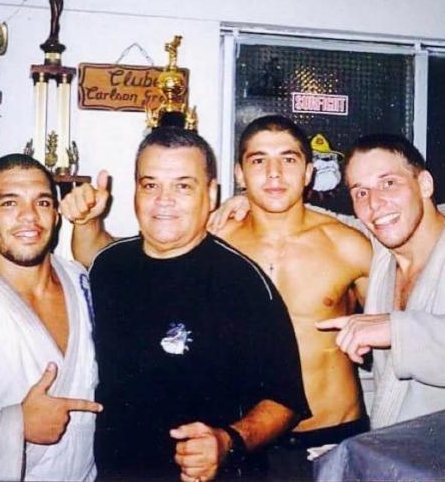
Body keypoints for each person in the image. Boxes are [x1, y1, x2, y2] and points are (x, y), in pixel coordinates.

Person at [61, 127, 310, 480]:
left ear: (211, 194)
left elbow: (285, 402)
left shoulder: (242, 284)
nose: (164, 200)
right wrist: (86, 220)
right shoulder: (110, 265)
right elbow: (90, 251)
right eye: (150, 185)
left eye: (183, 186)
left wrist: (227, 442)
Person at [208, 115, 373, 479]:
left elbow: (400, 320)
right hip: (245, 439)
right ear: (239, 174)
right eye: (259, 160)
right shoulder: (215, 244)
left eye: (288, 159)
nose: (274, 173)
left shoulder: (348, 245)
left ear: (308, 172)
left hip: (333, 439)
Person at [0, 154, 102, 481]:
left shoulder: (79, 280)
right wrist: (16, 425)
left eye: (42, 202)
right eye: (9, 203)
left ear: (56, 217)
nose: (29, 216)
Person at [317, 134, 445, 428]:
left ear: (425, 185)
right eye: (361, 192)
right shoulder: (381, 250)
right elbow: (330, 222)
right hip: (392, 449)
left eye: (389, 183)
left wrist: (395, 329)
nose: (374, 203)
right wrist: (251, 202)